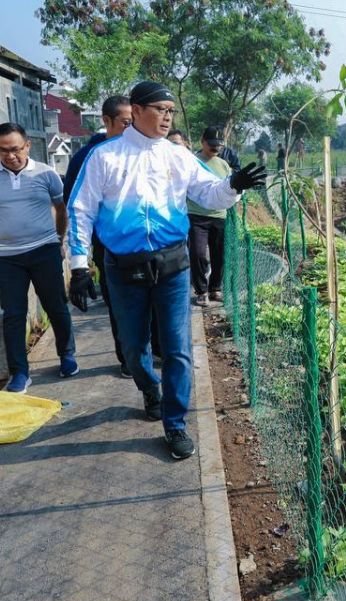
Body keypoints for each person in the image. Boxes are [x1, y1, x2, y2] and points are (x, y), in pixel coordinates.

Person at [66, 81, 266, 460]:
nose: (167, 117)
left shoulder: (178, 156)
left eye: (170, 111)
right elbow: (81, 210)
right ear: (136, 111)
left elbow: (209, 193)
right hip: (123, 267)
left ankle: (175, 424)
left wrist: (234, 185)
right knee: (132, 347)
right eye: (159, 109)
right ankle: (149, 388)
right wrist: (79, 266)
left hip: (172, 265)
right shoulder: (105, 157)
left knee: (177, 348)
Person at [0, 123, 77, 393]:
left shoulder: (47, 174)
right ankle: (19, 373)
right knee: (13, 315)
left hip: (44, 250)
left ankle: (67, 356)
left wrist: (59, 240)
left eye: (15, 149)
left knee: (56, 306)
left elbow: (61, 210)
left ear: (27, 145)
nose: (10, 155)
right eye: (2, 150)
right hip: (7, 258)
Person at [62, 95, 136, 378]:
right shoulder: (86, 157)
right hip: (107, 244)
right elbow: (75, 204)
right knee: (119, 303)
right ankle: (127, 357)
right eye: (126, 123)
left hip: (143, 241)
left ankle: (152, 349)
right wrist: (81, 260)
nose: (131, 129)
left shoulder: (138, 151)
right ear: (107, 121)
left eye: (134, 123)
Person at [188, 127, 231, 305]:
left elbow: (230, 189)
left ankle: (215, 288)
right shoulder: (192, 161)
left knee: (219, 254)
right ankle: (201, 290)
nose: (215, 148)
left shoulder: (223, 165)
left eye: (218, 145)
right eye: (211, 144)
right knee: (198, 254)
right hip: (196, 215)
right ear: (202, 142)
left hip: (219, 216)